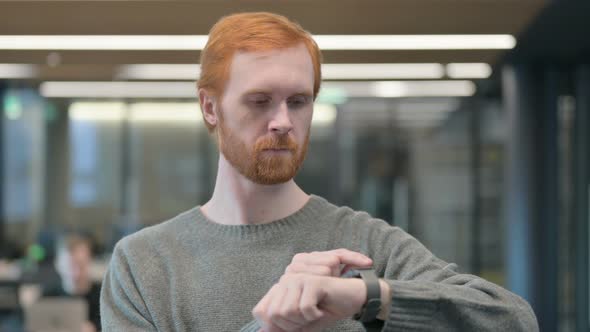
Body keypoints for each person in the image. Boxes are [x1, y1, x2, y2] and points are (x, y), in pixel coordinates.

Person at [100, 12, 538, 332]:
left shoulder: (365, 248)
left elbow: (512, 320)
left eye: (299, 101)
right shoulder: (143, 265)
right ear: (209, 107)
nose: (283, 122)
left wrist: (369, 297)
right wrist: (273, 325)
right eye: (259, 101)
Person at [46, 234, 101, 332]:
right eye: (71, 266)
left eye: (80, 265)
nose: (76, 274)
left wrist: (94, 328)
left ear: (89, 261)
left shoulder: (101, 296)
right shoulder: (48, 295)